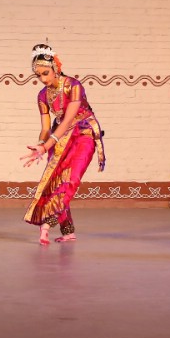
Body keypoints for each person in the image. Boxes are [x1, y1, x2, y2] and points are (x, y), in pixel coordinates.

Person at [21, 44, 105, 246]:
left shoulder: (73, 85)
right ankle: (68, 231)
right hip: (59, 137)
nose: (43, 79)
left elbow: (68, 119)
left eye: (45, 73)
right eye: (38, 75)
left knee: (70, 179)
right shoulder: (42, 95)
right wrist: (41, 144)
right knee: (55, 180)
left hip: (83, 132)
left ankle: (48, 223)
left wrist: (47, 145)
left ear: (56, 68)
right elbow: (45, 127)